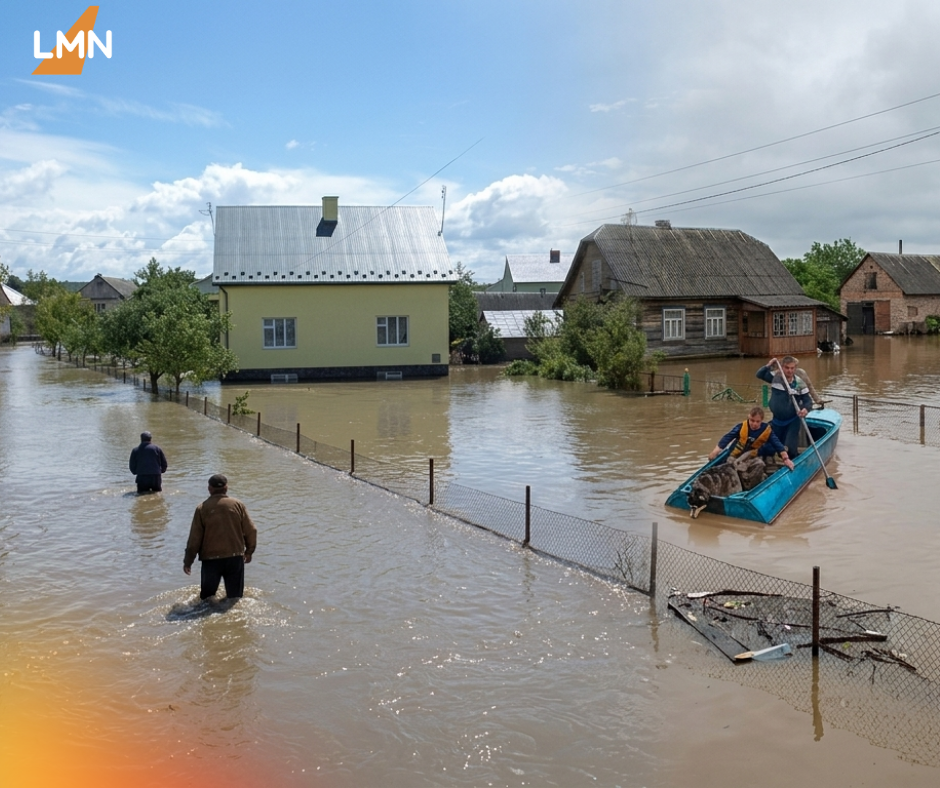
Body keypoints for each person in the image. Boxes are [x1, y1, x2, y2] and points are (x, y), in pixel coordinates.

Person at [184, 474, 257, 600]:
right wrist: (249, 552)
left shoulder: (202, 508)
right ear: (226, 488)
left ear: (209, 488)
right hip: (235, 558)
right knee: (235, 599)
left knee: (207, 600)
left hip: (211, 561)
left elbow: (194, 540)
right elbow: (251, 530)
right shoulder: (238, 505)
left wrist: (188, 561)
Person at [756, 356, 814, 456]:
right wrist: (769, 364)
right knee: (770, 448)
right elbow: (759, 374)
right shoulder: (775, 378)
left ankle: (794, 464)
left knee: (790, 449)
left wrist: (805, 409)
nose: (789, 371)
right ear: (782, 367)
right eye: (787, 368)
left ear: (795, 368)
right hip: (777, 420)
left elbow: (808, 401)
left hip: (792, 420)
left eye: (792, 368)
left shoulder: (800, 383)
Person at [707, 406, 795, 471]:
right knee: (730, 464)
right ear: (749, 418)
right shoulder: (741, 427)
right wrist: (715, 451)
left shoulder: (767, 431)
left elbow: (777, 444)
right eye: (752, 420)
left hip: (752, 456)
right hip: (734, 455)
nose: (754, 424)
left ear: (762, 420)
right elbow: (727, 438)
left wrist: (786, 458)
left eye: (757, 421)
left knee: (760, 464)